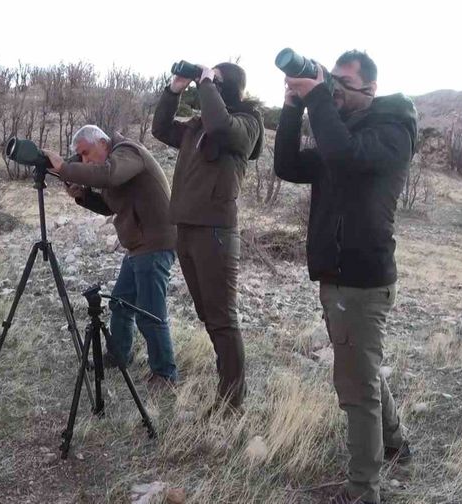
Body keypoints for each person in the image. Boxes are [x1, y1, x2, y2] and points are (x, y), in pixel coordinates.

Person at [273, 50, 418, 504]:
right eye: (329, 79)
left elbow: (345, 155)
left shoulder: (391, 133)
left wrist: (316, 95)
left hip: (362, 279)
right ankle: (394, 443)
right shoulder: (345, 133)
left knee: (356, 391)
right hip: (336, 275)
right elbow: (288, 166)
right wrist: (295, 105)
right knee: (362, 367)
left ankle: (363, 492)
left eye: (342, 83)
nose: (333, 88)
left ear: (369, 90)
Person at [152, 62, 263, 411]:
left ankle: (232, 401)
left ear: (227, 86)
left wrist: (206, 82)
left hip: (215, 230)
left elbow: (222, 124)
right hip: (185, 228)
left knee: (222, 318)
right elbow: (159, 129)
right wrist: (175, 89)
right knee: (207, 314)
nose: (207, 85)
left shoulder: (247, 124)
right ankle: (226, 381)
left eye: (215, 81)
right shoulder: (197, 128)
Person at [45, 125, 177, 385]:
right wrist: (83, 195)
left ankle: (165, 374)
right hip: (139, 244)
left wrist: (64, 168)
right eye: (79, 157)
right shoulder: (113, 162)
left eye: (86, 153)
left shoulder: (127, 152)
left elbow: (109, 175)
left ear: (102, 142)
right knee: (120, 303)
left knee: (149, 312)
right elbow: (110, 206)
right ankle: (118, 355)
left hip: (154, 243)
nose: (85, 160)